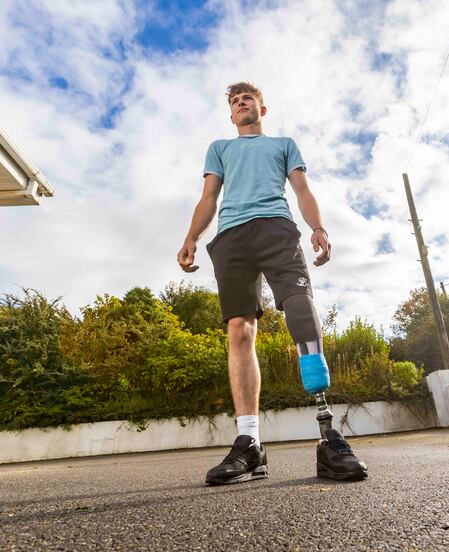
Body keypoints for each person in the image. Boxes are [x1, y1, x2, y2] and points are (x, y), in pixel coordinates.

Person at [177, 82, 367, 485]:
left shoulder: (283, 144)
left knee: (299, 307)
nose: (241, 103)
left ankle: (327, 434)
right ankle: (249, 445)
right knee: (239, 330)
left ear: (263, 107)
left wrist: (318, 226)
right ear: (231, 115)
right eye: (234, 101)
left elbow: (302, 188)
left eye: (247, 98)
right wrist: (191, 237)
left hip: (276, 229)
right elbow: (209, 197)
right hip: (231, 238)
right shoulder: (220, 149)